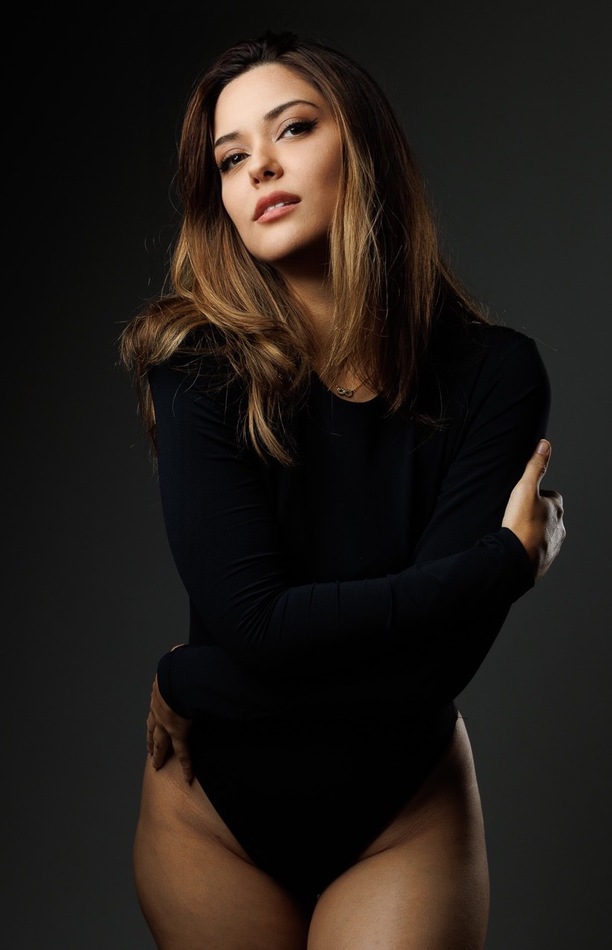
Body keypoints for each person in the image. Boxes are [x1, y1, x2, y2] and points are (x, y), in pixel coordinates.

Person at [120, 30, 565, 950]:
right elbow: (258, 625)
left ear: (361, 146)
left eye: (292, 129)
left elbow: (427, 674)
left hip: (402, 815)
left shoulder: (496, 374)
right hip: (213, 823)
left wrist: (190, 676)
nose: (260, 167)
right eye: (231, 158)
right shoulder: (197, 368)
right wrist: (502, 564)